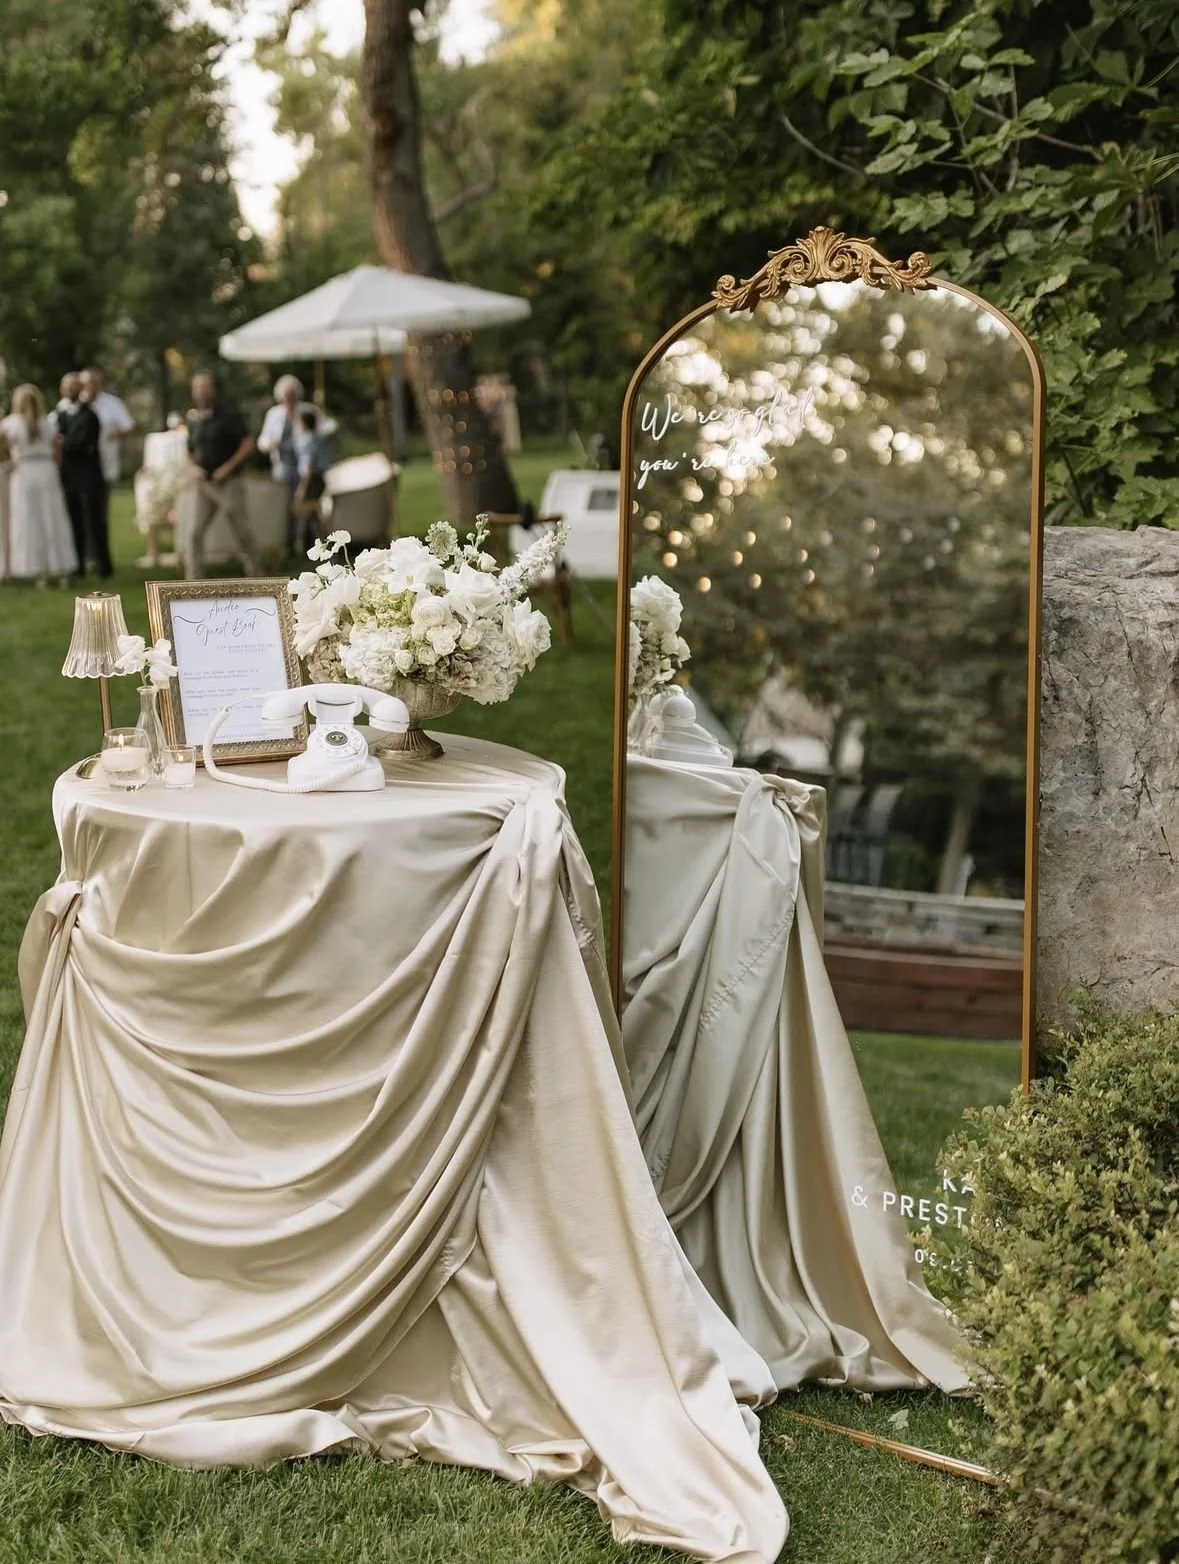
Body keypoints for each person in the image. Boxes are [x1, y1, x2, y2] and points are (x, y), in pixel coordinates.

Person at [0, 385, 79, 587]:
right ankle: (61, 569)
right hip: (47, 471)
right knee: (53, 519)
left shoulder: (10, 424)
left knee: (29, 521)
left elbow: (3, 449)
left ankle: (37, 572)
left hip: (24, 471)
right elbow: (57, 450)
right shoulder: (48, 422)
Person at [185, 371, 258, 578]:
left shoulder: (228, 415)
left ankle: (256, 575)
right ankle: (193, 581)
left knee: (242, 530)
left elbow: (247, 444)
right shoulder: (194, 419)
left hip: (228, 483)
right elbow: (188, 451)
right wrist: (192, 469)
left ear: (214, 389)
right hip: (204, 485)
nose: (201, 391)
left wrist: (228, 467)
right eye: (197, 387)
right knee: (194, 533)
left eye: (205, 386)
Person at [257, 376, 338, 555]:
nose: (290, 399)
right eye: (286, 396)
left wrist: (317, 435)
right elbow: (262, 440)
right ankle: (290, 542)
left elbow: (328, 426)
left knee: (304, 506)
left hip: (304, 468)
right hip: (283, 466)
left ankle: (309, 543)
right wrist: (270, 445)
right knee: (287, 505)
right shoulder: (274, 414)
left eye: (292, 395)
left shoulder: (308, 411)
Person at [79, 367, 134, 571]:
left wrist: (115, 433)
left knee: (99, 511)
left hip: (105, 466)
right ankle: (85, 554)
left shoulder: (112, 404)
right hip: (82, 469)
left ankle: (97, 555)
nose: (90, 388)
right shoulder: (77, 405)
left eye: (94, 383)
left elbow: (128, 425)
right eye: (86, 384)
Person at [54, 372, 108, 577]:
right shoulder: (60, 414)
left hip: (88, 475)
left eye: (72, 386)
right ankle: (78, 565)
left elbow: (81, 443)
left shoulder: (89, 415)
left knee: (94, 520)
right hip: (68, 475)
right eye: (65, 386)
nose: (68, 390)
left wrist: (62, 443)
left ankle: (103, 566)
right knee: (73, 520)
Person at [292, 407, 330, 555]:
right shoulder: (317, 438)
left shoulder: (306, 441)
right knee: (314, 515)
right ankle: (320, 546)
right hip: (318, 478)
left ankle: (301, 547)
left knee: (304, 513)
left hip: (310, 480)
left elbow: (308, 466)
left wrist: (302, 488)